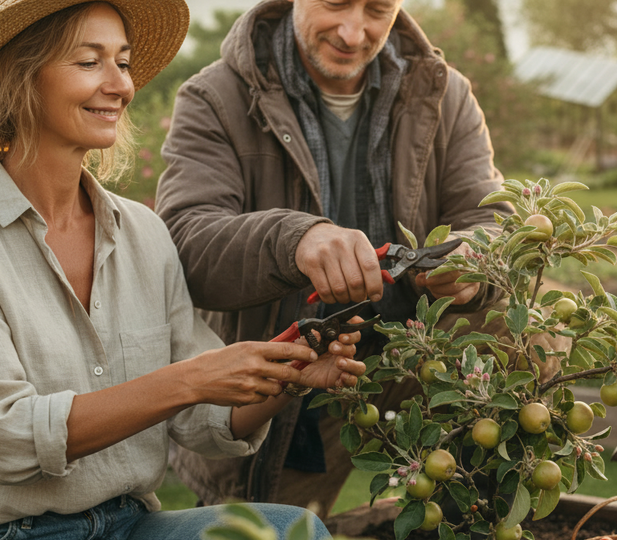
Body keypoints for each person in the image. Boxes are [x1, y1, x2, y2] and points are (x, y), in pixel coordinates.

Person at [0, 1, 366, 539]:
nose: (120, 85)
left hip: (128, 524)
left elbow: (202, 421)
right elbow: (7, 439)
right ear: (18, 77)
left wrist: (285, 378)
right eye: (89, 62)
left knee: (292, 531)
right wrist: (188, 380)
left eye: (122, 63)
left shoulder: (143, 232)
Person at [154, 0, 523, 516]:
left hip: (415, 356)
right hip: (291, 391)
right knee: (269, 526)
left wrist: (472, 264)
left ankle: (478, 505)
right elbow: (183, 244)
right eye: (335, 3)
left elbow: (491, 221)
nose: (354, 33)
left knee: (528, 327)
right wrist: (295, 241)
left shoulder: (445, 94)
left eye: (377, 9)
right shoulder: (214, 97)